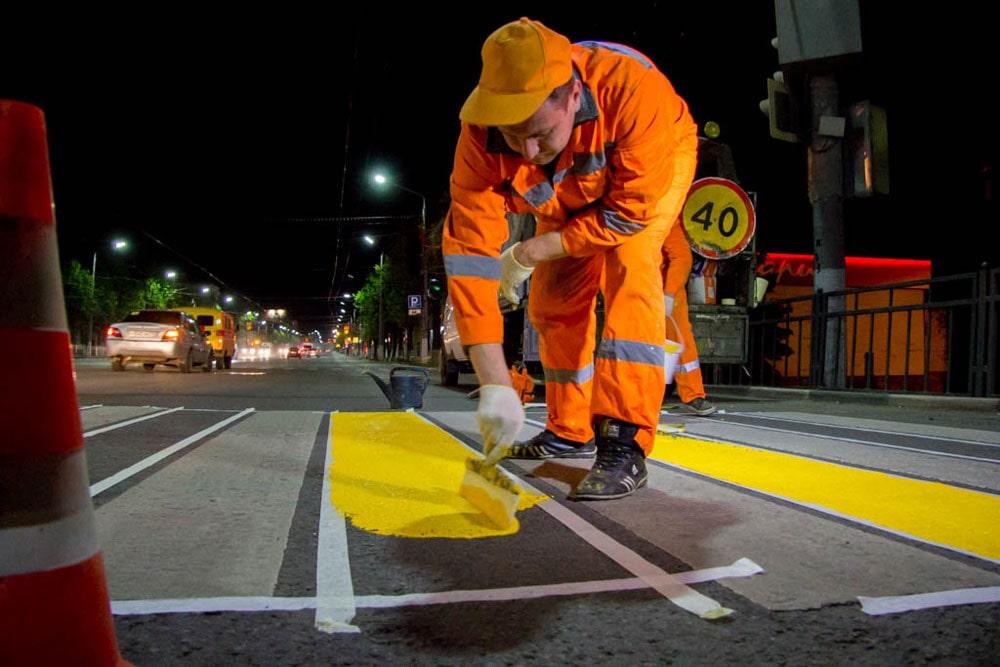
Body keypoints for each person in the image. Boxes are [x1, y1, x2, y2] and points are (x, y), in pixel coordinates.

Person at [443, 17, 697, 500]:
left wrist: (527, 250)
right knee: (551, 302)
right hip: (572, 192)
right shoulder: (479, 135)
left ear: (573, 96)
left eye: (538, 132)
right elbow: (469, 253)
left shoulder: (633, 94)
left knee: (631, 267)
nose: (529, 151)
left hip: (648, 170)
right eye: (513, 136)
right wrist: (494, 381)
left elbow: (626, 216)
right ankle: (570, 427)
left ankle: (625, 440)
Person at [661, 222, 718, 416]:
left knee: (679, 343)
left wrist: (668, 294)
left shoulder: (663, 217)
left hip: (664, 292)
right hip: (639, 290)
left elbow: (681, 257)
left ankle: (693, 395)